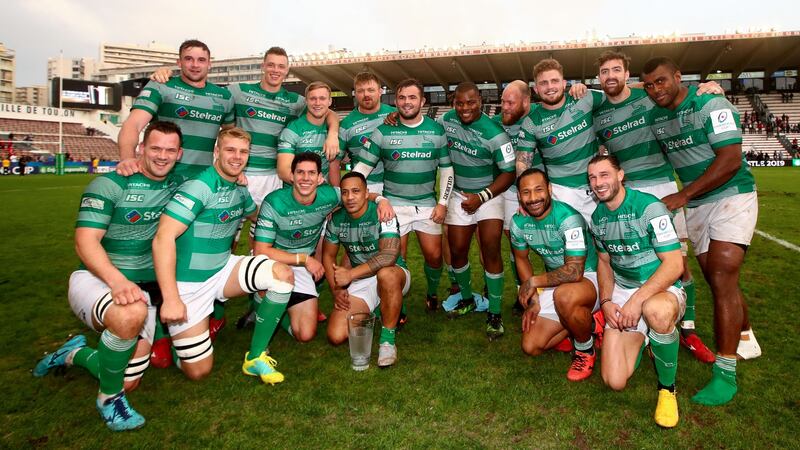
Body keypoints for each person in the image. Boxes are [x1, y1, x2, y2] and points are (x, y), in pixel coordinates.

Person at [33, 121, 185, 431]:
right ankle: (108, 399)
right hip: (99, 279)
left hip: (147, 288)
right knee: (130, 313)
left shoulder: (179, 185)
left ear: (179, 154)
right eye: (155, 148)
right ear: (140, 149)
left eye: (170, 150)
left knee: (128, 377)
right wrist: (117, 281)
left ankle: (73, 353)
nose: (162, 156)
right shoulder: (109, 184)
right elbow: (85, 241)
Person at [642, 57, 759, 405]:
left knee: (722, 275)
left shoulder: (710, 103)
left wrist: (684, 194)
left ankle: (725, 373)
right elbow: (630, 92)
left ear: (680, 77)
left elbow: (730, 159)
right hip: (697, 206)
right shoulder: (654, 115)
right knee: (716, 278)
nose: (655, 90)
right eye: (648, 85)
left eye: (661, 81)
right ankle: (745, 331)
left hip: (731, 196)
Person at [592, 50, 716, 363]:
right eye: (604, 71)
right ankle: (641, 321)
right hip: (626, 190)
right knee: (630, 254)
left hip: (662, 186)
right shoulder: (597, 112)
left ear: (626, 73)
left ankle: (688, 330)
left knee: (679, 262)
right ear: (598, 78)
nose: (610, 76)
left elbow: (680, 96)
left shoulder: (648, 97)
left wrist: (710, 88)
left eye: (616, 70)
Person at [152, 127, 294, 384]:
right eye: (230, 150)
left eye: (243, 152)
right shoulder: (199, 187)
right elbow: (163, 237)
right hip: (190, 284)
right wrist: (171, 298)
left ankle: (255, 357)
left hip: (222, 270)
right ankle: (172, 338)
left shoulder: (239, 188)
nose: (237, 157)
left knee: (281, 275)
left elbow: (257, 214)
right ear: (216, 152)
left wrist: (296, 206)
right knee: (198, 371)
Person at [253, 152, 394, 345]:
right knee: (271, 277)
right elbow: (261, 250)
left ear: (320, 178)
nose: (305, 178)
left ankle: (276, 314)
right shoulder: (274, 201)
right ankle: (261, 302)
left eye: (311, 173)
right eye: (300, 172)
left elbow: (358, 192)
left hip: (303, 266)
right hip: (276, 261)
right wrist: (304, 259)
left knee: (305, 334)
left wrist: (381, 200)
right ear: (291, 175)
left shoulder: (332, 195)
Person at [588, 154, 686, 428]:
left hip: (661, 290)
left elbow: (675, 264)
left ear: (621, 175)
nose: (598, 182)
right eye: (592, 178)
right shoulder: (597, 218)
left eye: (604, 175)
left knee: (654, 310)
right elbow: (605, 262)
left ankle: (667, 390)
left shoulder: (649, 208)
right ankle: (647, 339)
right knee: (614, 380)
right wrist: (606, 301)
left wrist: (635, 301)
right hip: (623, 291)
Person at [353, 78, 453, 311]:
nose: (406, 102)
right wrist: (364, 194)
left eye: (412, 97)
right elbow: (360, 171)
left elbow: (447, 169)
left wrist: (443, 203)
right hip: (394, 207)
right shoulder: (382, 131)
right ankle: (400, 310)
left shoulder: (436, 129)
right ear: (395, 100)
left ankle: (431, 292)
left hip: (427, 205)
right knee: (396, 261)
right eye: (401, 97)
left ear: (422, 101)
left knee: (434, 258)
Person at [511, 168, 603, 381]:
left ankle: (584, 350)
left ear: (550, 189)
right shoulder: (517, 223)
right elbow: (522, 259)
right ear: (518, 196)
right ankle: (590, 324)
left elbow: (574, 271)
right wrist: (533, 300)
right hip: (557, 283)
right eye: (526, 192)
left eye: (538, 190)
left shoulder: (568, 218)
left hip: (590, 278)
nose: (533, 198)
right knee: (531, 346)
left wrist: (534, 282)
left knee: (565, 296)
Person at [441, 82, 515, 339]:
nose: (465, 108)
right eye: (459, 103)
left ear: (480, 102)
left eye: (470, 102)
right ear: (453, 103)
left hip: (489, 194)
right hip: (459, 193)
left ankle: (494, 313)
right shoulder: (447, 120)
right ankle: (466, 298)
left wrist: (482, 196)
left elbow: (509, 172)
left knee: (491, 247)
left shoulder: (495, 133)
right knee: (458, 250)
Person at [322, 172, 409, 366]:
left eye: (356, 191)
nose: (350, 197)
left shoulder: (382, 213)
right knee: (336, 335)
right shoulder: (337, 219)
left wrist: (350, 275)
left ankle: (387, 341)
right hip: (362, 279)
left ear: (366, 193)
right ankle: (382, 306)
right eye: (345, 193)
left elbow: (389, 255)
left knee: (385, 274)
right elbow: (327, 256)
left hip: (394, 272)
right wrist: (336, 289)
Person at [117, 39, 234, 178]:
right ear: (179, 63)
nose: (195, 65)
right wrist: (127, 158)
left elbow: (231, 137)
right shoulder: (161, 86)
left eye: (201, 60)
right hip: (162, 178)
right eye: (188, 59)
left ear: (209, 64)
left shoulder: (224, 97)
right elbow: (133, 124)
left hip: (202, 181)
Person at [519, 58, 605, 225]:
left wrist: (647, 87)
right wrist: (523, 196)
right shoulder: (531, 122)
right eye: (543, 83)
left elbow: (621, 94)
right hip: (562, 192)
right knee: (571, 245)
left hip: (597, 185)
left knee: (606, 241)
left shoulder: (584, 98)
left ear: (564, 83)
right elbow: (522, 164)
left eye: (554, 81)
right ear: (536, 89)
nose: (550, 87)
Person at [496, 80, 543, 310]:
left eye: (510, 102)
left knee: (552, 240)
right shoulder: (499, 122)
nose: (504, 106)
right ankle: (521, 291)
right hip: (510, 191)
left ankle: (560, 288)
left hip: (542, 191)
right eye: (503, 101)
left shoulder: (541, 114)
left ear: (526, 102)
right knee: (516, 241)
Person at [339, 72, 397, 194]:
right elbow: (334, 163)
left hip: (397, 184)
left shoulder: (396, 114)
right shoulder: (346, 124)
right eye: (360, 91)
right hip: (365, 185)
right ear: (355, 93)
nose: (366, 94)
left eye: (371, 90)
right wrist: (336, 195)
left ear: (380, 91)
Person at [277, 82, 342, 186]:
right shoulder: (292, 130)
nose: (317, 103)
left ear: (329, 101)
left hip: (323, 193)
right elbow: (284, 171)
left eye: (322, 98)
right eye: (313, 99)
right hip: (297, 193)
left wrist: (333, 134)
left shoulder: (333, 128)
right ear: (306, 101)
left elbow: (334, 167)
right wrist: (308, 185)